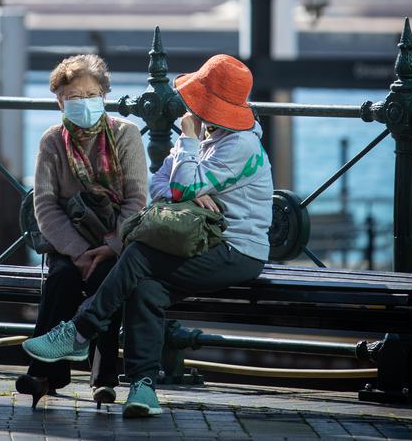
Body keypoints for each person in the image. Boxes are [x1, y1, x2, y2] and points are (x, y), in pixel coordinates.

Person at [23, 53, 274, 418]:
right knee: (145, 286)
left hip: (236, 251)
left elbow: (171, 186)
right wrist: (186, 184)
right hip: (198, 245)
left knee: (138, 254)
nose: (191, 106)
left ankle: (79, 331)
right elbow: (161, 183)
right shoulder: (209, 138)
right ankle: (143, 387)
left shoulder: (239, 145)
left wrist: (186, 151)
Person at [17, 54, 148, 409]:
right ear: (59, 100)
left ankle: (104, 380)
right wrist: (76, 251)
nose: (84, 102)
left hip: (114, 239)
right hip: (69, 242)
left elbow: (137, 200)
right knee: (60, 280)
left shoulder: (126, 134)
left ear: (104, 94)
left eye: (91, 94)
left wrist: (110, 245)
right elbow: (44, 203)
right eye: (74, 96)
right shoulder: (52, 141)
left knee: (109, 281)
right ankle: (43, 374)